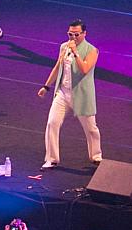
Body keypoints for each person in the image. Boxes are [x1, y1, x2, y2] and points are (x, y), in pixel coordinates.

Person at [37, 19, 101, 169]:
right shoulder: (63, 47)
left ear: (84, 34)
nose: (72, 37)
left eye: (76, 34)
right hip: (63, 93)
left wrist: (76, 52)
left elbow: (84, 69)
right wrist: (46, 86)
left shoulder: (92, 50)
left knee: (91, 128)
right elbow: (57, 67)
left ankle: (96, 155)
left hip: (81, 95)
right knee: (52, 123)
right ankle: (52, 158)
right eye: (70, 34)